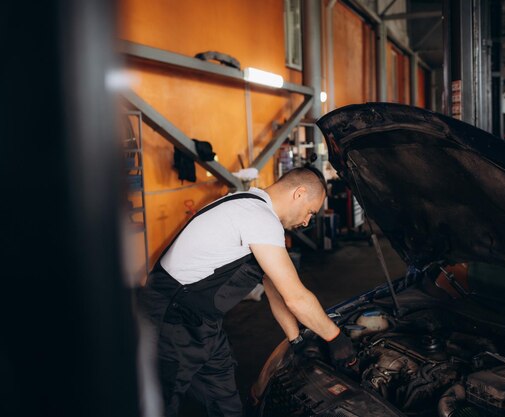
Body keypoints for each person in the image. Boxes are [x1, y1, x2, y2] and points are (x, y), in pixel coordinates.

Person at [137, 166, 356, 417]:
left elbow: (276, 290)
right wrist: (336, 338)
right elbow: (296, 297)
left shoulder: (252, 210)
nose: (306, 221)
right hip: (171, 319)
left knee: (226, 402)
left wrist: (297, 340)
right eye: (310, 212)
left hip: (203, 322)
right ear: (299, 193)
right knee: (159, 403)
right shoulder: (258, 216)